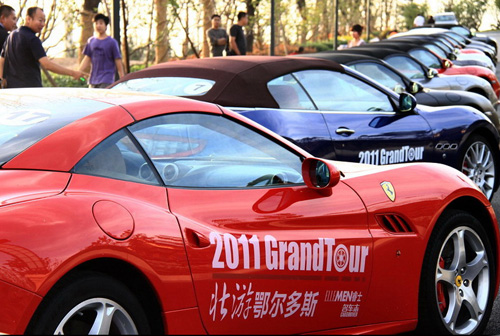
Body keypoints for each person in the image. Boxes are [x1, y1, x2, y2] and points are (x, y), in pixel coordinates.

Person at [0, 7, 85, 88]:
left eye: (44, 21)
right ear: (28, 19)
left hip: (12, 89)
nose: (43, 24)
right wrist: (73, 73)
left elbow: (2, 60)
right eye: (40, 20)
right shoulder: (32, 39)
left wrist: (2, 80)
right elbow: (47, 65)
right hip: (30, 89)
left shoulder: (11, 36)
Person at [78, 13, 124, 88]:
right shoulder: (91, 41)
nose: (98, 25)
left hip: (107, 80)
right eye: (96, 23)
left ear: (105, 26)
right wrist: (78, 72)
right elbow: (87, 58)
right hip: (93, 80)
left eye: (101, 23)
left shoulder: (112, 42)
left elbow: (117, 60)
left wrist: (122, 77)